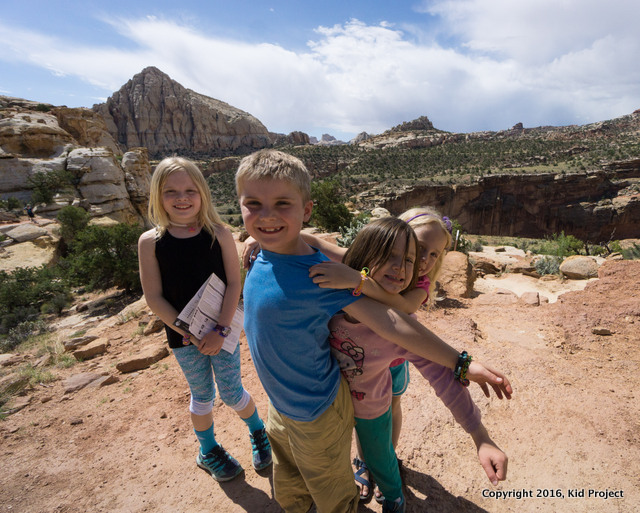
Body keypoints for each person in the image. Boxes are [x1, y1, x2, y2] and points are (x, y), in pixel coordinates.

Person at [235, 149, 512, 513]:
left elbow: (400, 327)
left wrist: (476, 421)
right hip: (282, 407)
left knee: (358, 473)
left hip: (323, 410)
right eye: (254, 204)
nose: (267, 215)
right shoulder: (281, 258)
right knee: (292, 484)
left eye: (282, 203)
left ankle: (390, 491)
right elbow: (327, 249)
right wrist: (258, 239)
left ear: (306, 210)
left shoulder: (329, 281)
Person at [320, 216, 508, 510]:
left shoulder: (401, 329)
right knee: (332, 459)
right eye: (391, 255)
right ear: (363, 256)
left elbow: (442, 375)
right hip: (329, 405)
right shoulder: (330, 299)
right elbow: (307, 247)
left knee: (382, 458)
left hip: (371, 409)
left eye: (408, 259)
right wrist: (266, 243)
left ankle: (394, 496)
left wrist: (480, 436)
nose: (402, 267)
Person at [138, 156, 271, 484]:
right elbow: (154, 297)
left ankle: (258, 431)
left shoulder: (219, 233)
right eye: (171, 192)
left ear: (202, 193)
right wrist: (193, 334)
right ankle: (208, 450)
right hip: (184, 338)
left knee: (231, 391)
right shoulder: (150, 242)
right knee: (201, 395)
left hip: (222, 330)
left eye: (190, 190)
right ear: (158, 196)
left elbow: (234, 283)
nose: (182, 198)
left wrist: (220, 329)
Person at [307, 206, 452, 501]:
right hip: (364, 361)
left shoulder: (420, 284)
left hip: (395, 362)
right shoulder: (371, 259)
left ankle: (386, 457)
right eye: (420, 248)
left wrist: (357, 281)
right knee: (365, 414)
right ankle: (366, 460)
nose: (424, 259)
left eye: (434, 254)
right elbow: (319, 244)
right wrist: (263, 240)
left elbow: (405, 306)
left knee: (391, 407)